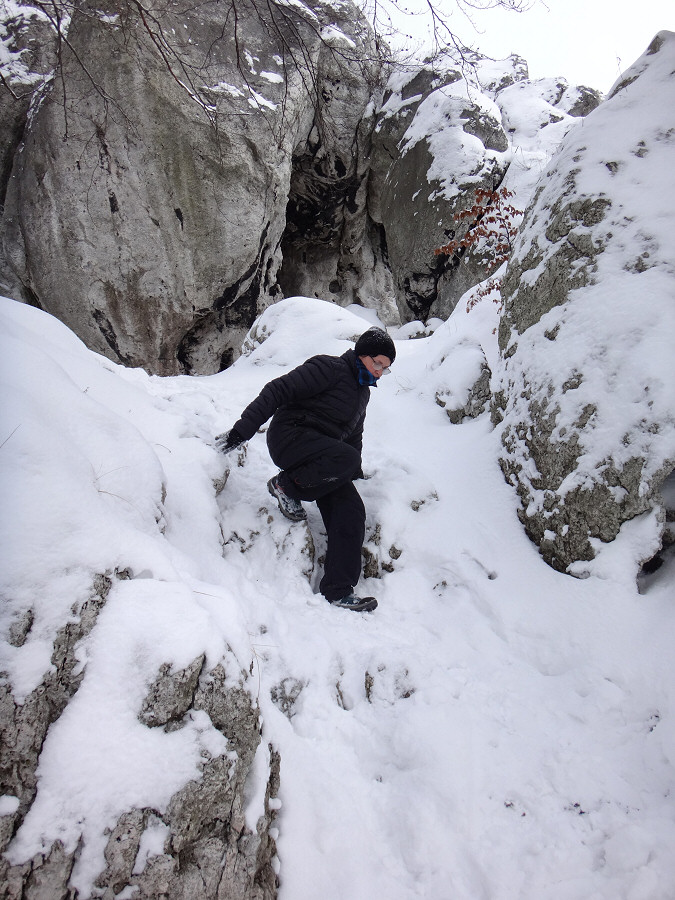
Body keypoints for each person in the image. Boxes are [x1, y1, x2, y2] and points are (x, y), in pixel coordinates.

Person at [216, 327, 396, 613]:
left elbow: (353, 437)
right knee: (346, 459)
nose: (379, 373)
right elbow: (278, 389)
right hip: (290, 438)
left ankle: (338, 590)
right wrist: (242, 431)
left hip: (324, 457)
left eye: (385, 369)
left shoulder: (362, 394)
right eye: (377, 363)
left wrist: (353, 472)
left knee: (351, 509)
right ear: (361, 355)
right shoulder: (329, 368)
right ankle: (286, 485)